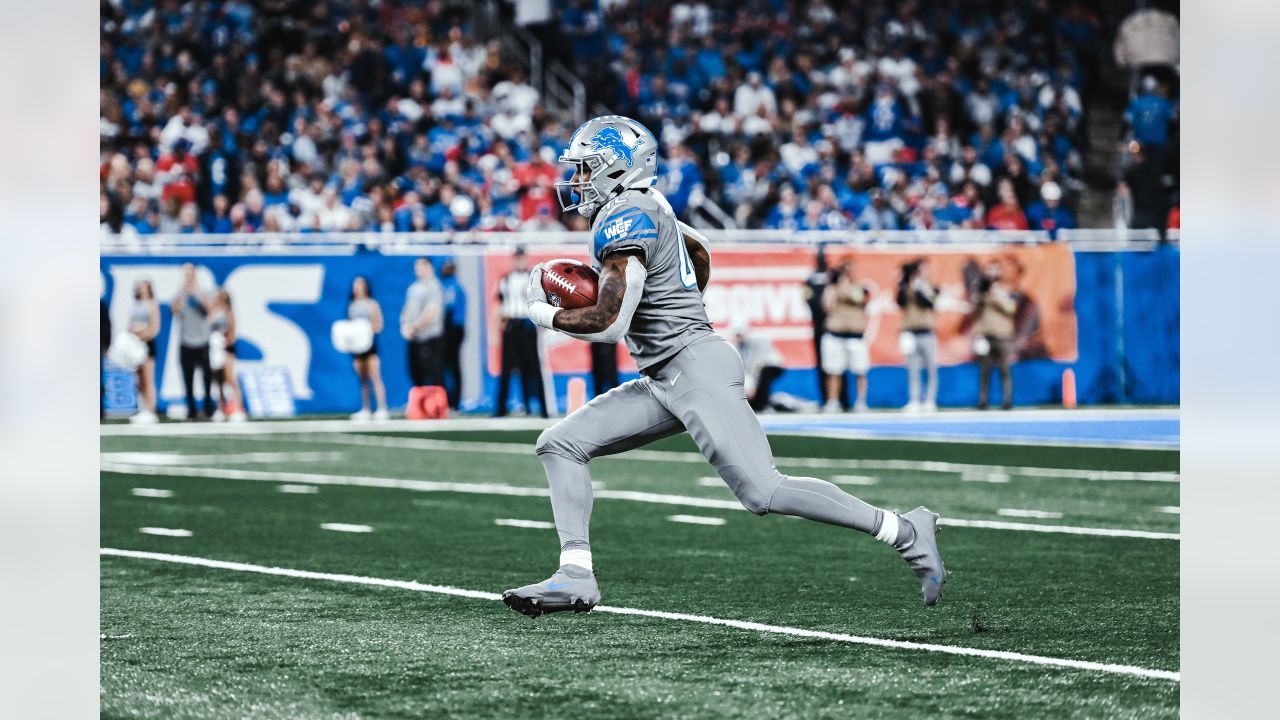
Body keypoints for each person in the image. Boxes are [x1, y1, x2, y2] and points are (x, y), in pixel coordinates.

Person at [502, 116, 944, 618]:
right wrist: (677, 300)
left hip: (693, 368)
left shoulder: (625, 215)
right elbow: (699, 251)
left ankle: (905, 530)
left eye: (585, 169)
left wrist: (542, 312)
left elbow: (608, 322)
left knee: (764, 491)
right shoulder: (651, 207)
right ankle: (576, 575)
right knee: (559, 443)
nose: (577, 181)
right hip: (667, 373)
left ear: (617, 168)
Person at [493, 247, 547, 418]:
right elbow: (499, 305)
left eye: (521, 258)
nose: (519, 261)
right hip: (511, 325)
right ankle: (500, 409)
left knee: (533, 369)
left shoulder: (533, 279)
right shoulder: (506, 279)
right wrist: (496, 329)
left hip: (527, 325)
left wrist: (542, 326)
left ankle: (542, 409)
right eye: (517, 258)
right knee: (506, 369)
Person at [821, 262, 873, 413]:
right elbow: (827, 306)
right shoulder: (832, 289)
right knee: (834, 370)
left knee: (860, 370)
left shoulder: (858, 289)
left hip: (855, 335)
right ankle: (832, 401)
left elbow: (858, 298)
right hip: (836, 334)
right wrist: (833, 286)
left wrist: (844, 286)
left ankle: (861, 402)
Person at [172, 263, 215, 420]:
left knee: (207, 379)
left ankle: (209, 409)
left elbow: (209, 308)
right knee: (188, 379)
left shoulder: (204, 290)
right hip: (186, 341)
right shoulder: (180, 292)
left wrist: (196, 291)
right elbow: (175, 310)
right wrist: (184, 291)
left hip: (202, 341)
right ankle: (191, 410)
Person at [973, 261, 1017, 410]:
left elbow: (1012, 309)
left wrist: (1000, 297)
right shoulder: (981, 292)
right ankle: (983, 401)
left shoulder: (1004, 289)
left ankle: (1007, 401)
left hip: (1003, 335)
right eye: (989, 270)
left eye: (994, 270)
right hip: (986, 335)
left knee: (1004, 370)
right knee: (985, 371)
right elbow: (975, 311)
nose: (991, 274)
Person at [898, 259, 939, 413]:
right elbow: (900, 302)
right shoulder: (907, 286)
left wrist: (921, 289)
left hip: (927, 331)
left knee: (931, 367)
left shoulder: (929, 287)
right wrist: (906, 284)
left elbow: (930, 303)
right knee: (912, 368)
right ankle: (914, 399)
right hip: (910, 331)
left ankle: (930, 400)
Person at [348, 276, 389, 421]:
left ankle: (382, 407)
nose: (357, 288)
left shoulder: (372, 304)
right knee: (363, 379)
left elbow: (379, 324)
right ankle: (366, 408)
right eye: (355, 285)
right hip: (357, 348)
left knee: (375, 377)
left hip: (370, 345)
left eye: (360, 285)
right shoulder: (352, 306)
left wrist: (367, 329)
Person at [401, 258, 445, 390]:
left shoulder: (434, 286)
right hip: (414, 337)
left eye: (421, 266)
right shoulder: (413, 288)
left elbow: (431, 311)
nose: (418, 270)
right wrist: (405, 326)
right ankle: (420, 405)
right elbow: (406, 310)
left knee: (434, 371)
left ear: (429, 267)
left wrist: (415, 327)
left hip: (430, 337)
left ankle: (439, 406)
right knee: (415, 372)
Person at [208, 289, 246, 422]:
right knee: (218, 381)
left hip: (226, 349)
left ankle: (238, 407)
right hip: (215, 350)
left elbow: (232, 333)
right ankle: (221, 407)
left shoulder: (228, 313)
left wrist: (224, 342)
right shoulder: (213, 312)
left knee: (230, 379)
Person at [731, 321, 786, 412]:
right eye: (737, 335)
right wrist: (747, 386)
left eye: (741, 334)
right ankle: (758, 404)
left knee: (765, 371)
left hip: (771, 366)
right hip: (756, 372)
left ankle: (763, 404)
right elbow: (744, 369)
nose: (739, 337)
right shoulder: (736, 346)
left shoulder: (758, 341)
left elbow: (759, 364)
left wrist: (752, 386)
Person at [127, 280, 160, 424]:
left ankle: (151, 410)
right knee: (139, 379)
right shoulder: (135, 306)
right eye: (140, 288)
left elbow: (155, 327)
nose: (142, 290)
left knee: (148, 378)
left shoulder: (152, 305)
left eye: (145, 288)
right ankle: (143, 409)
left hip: (146, 344)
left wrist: (142, 335)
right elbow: (130, 324)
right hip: (135, 344)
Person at [438, 260, 467, 411]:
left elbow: (449, 308)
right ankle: (447, 399)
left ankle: (455, 401)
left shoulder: (453, 286)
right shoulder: (445, 285)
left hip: (453, 329)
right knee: (446, 366)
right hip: (448, 329)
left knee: (453, 365)